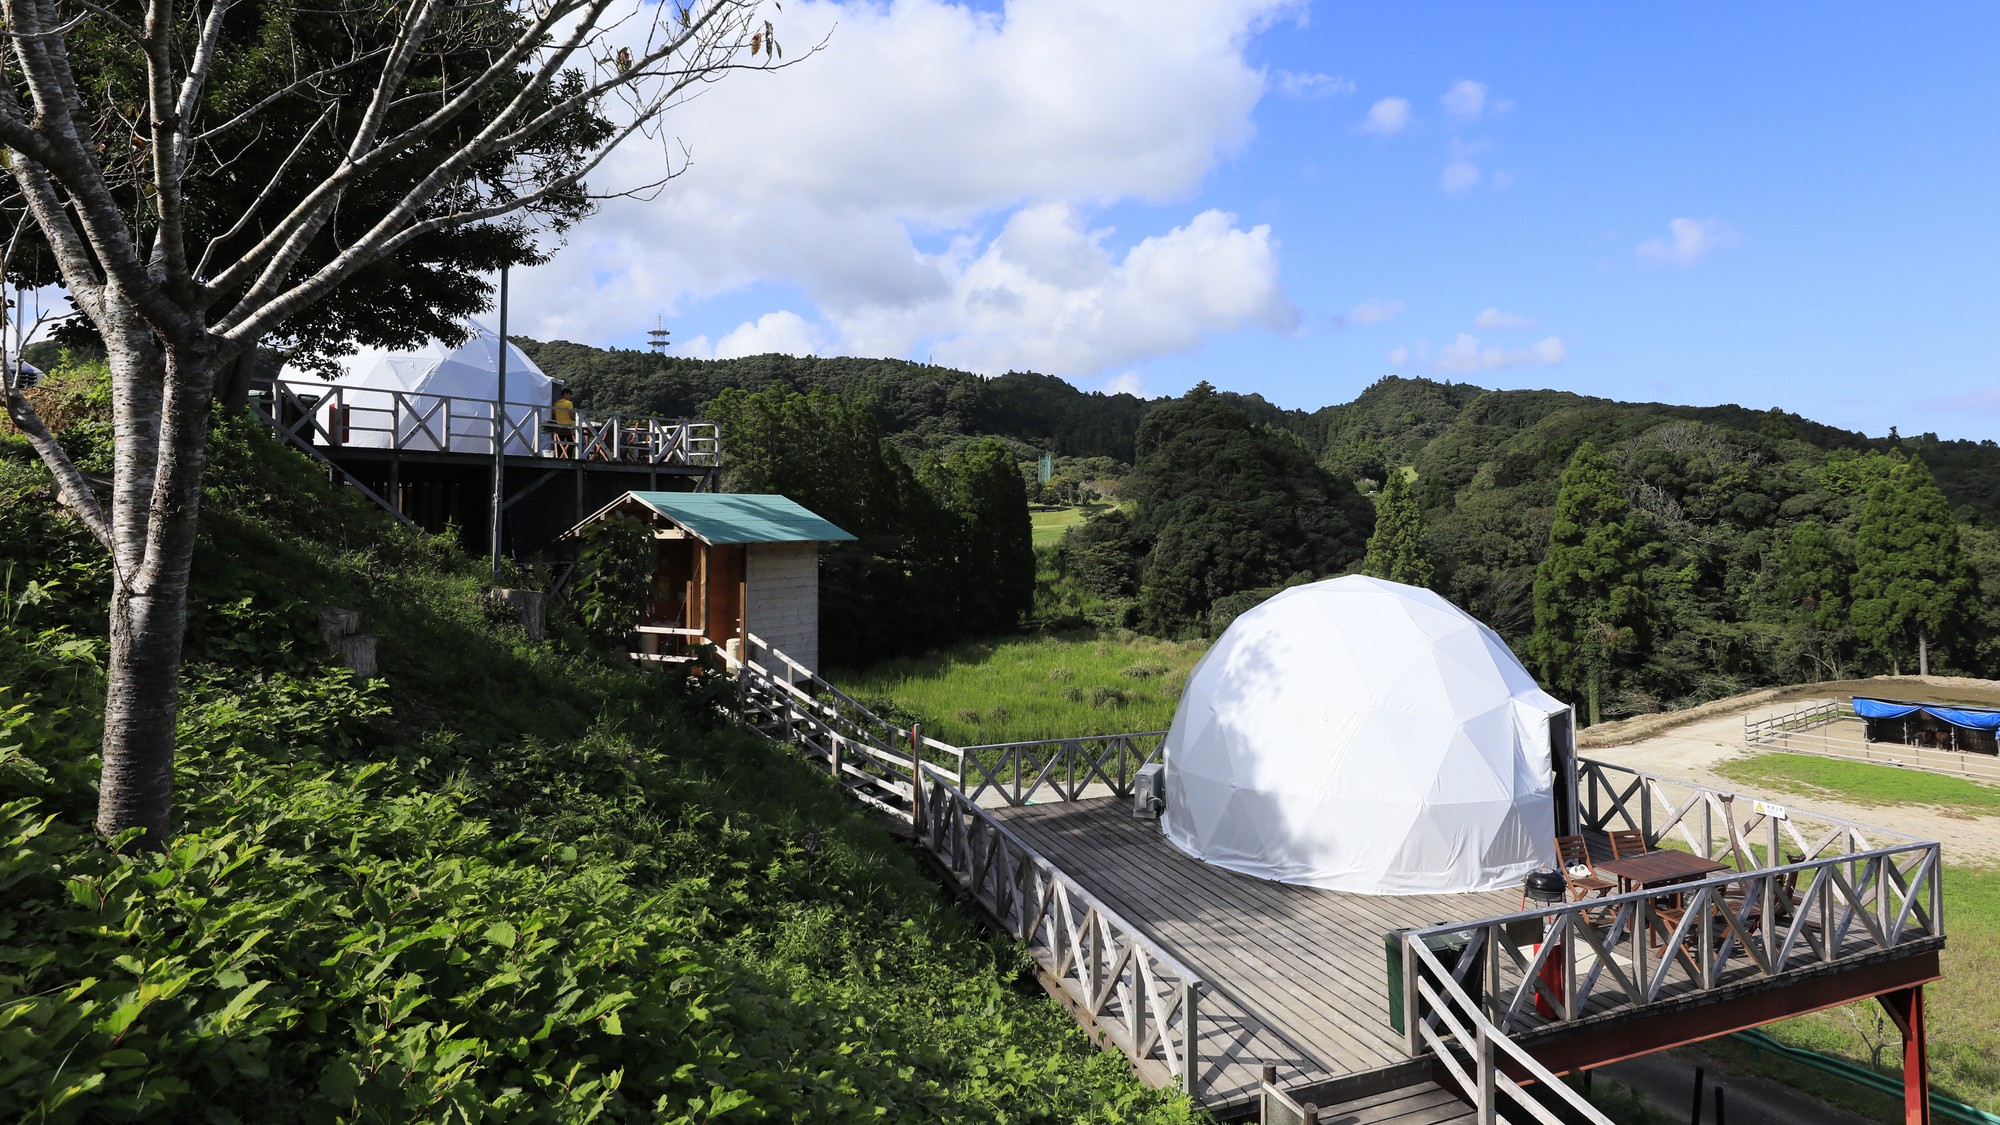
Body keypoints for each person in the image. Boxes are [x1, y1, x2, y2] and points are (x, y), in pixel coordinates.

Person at [548, 385, 576, 456]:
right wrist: (574, 418)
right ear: (565, 394)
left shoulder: (556, 403)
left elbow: (553, 414)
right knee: (571, 443)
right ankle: (569, 457)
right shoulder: (568, 403)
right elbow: (571, 414)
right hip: (567, 426)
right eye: (569, 395)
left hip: (558, 427)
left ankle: (559, 456)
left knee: (559, 443)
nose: (570, 397)